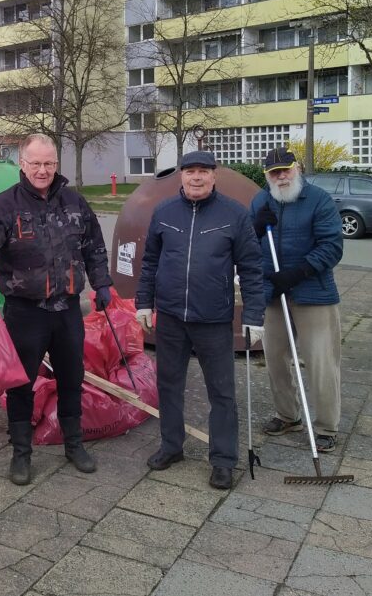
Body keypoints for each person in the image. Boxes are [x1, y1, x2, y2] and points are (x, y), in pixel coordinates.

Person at [0, 134, 112, 486]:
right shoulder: (4, 205)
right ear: (22, 164)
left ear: (56, 164)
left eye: (49, 163)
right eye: (35, 163)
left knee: (71, 379)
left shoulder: (74, 202)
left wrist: (103, 284)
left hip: (67, 310)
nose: (42, 170)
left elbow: (94, 246)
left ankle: (74, 444)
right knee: (21, 384)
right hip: (25, 312)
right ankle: (21, 453)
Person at [134, 150, 265, 490]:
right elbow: (150, 263)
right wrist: (144, 303)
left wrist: (253, 316)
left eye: (203, 172)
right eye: (190, 171)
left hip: (214, 320)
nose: (196, 177)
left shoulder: (234, 215)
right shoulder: (164, 212)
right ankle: (171, 446)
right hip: (172, 318)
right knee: (169, 385)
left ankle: (222, 460)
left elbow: (251, 269)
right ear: (181, 176)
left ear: (214, 176)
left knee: (221, 392)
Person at [250, 147, 344, 453]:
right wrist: (253, 228)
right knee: (275, 357)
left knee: (320, 361)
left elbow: (332, 246)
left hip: (312, 292)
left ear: (298, 168)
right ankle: (287, 415)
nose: (280, 176)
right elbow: (246, 247)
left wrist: (298, 272)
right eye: (273, 172)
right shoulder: (260, 201)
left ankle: (327, 426)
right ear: (266, 176)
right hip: (273, 293)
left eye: (285, 170)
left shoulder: (318, 200)